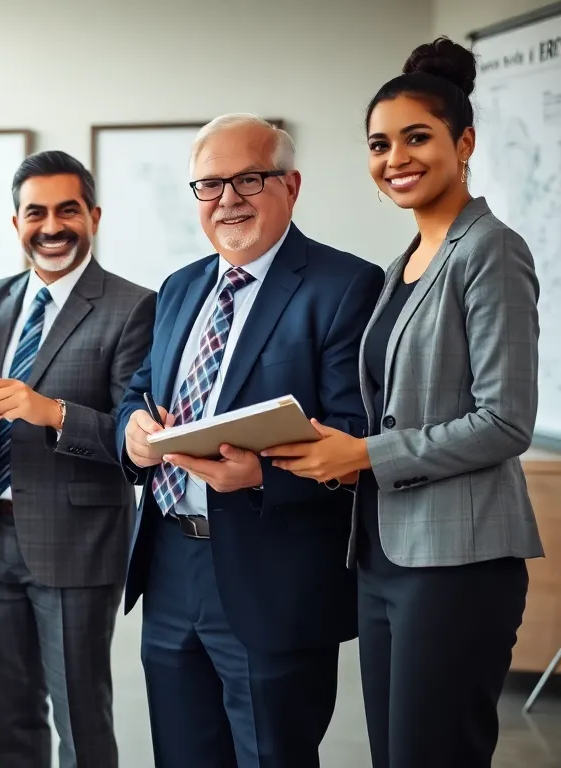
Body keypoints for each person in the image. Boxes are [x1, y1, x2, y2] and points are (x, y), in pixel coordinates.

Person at [262, 38, 543, 768]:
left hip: (459, 561)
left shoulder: (491, 250)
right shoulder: (402, 266)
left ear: (465, 141)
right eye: (379, 144)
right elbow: (400, 406)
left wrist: (365, 455)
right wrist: (331, 448)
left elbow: (505, 419)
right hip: (385, 553)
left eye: (417, 137)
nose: (396, 158)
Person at [116, 114, 384, 768]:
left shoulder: (345, 286)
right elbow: (141, 389)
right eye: (209, 185)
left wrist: (263, 477)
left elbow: (357, 440)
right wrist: (132, 431)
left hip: (274, 575)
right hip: (172, 562)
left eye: (248, 179)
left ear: (290, 186)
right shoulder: (179, 288)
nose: (228, 199)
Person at [0, 150, 155, 768]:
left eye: (67, 210)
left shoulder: (133, 307)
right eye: (35, 212)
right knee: (11, 714)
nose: (52, 226)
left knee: (80, 715)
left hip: (76, 541)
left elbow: (136, 443)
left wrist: (49, 411)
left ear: (93, 215)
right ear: (16, 222)